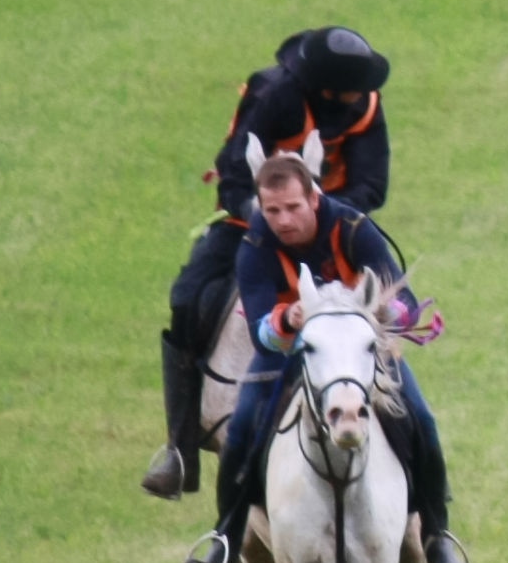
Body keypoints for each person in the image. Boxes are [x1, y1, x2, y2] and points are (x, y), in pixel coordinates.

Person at [179, 154, 470, 563]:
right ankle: (226, 536)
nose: (282, 220)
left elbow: (405, 301)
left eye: (293, 208)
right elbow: (260, 332)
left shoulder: (353, 229)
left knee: (420, 419)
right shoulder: (256, 245)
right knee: (241, 430)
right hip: (291, 352)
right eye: (272, 211)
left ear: (314, 198)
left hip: (356, 350)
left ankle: (436, 534)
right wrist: (287, 319)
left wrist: (381, 310)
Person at [143, 26, 392, 503]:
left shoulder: (367, 107)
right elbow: (235, 168)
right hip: (252, 222)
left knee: (371, 320)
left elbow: (371, 185)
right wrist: (270, 216)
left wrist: (322, 215)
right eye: (351, 91)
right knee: (188, 297)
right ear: (327, 89)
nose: (360, 98)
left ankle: (422, 504)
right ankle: (180, 448)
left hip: (333, 225)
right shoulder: (273, 95)